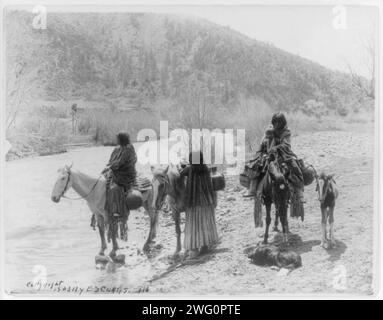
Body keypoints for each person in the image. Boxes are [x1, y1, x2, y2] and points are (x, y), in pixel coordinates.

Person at [245, 112, 304, 203]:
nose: (277, 124)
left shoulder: (286, 132)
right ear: (273, 122)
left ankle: (299, 192)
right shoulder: (269, 130)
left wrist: (276, 148)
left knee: (294, 166)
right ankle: (252, 189)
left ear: (283, 123)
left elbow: (286, 145)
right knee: (255, 165)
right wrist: (265, 146)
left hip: (283, 153)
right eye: (275, 122)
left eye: (279, 122)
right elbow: (263, 142)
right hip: (267, 153)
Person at [180, 151, 219, 258]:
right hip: (206, 201)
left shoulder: (189, 169)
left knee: (194, 225)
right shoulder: (206, 169)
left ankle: (194, 247)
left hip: (194, 202)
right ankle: (205, 245)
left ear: (191, 160)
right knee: (205, 223)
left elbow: (180, 174)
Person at [102, 132, 137, 220]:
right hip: (116, 170)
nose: (116, 140)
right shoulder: (117, 148)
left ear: (122, 139)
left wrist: (111, 167)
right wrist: (108, 166)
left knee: (115, 188)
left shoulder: (129, 149)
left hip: (126, 173)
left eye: (118, 138)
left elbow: (121, 162)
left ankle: (118, 210)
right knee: (102, 178)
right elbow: (111, 160)